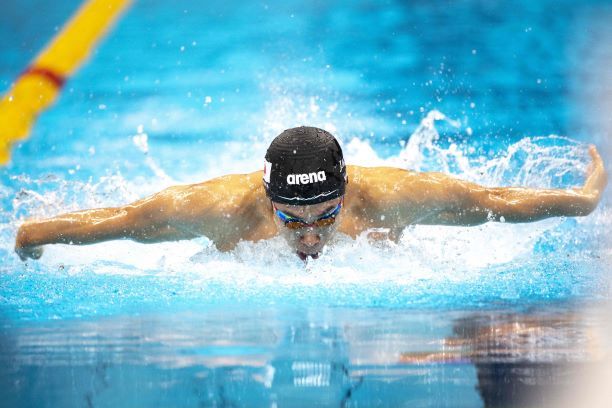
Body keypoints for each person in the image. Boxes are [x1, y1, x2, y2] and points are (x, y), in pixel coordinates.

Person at [14, 126, 607, 261]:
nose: (309, 235)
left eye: (324, 216)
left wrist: (580, 201)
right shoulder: (217, 211)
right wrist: (31, 242)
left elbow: (492, 203)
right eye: (290, 219)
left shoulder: (392, 197)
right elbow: (120, 221)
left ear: (346, 195)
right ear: (266, 200)